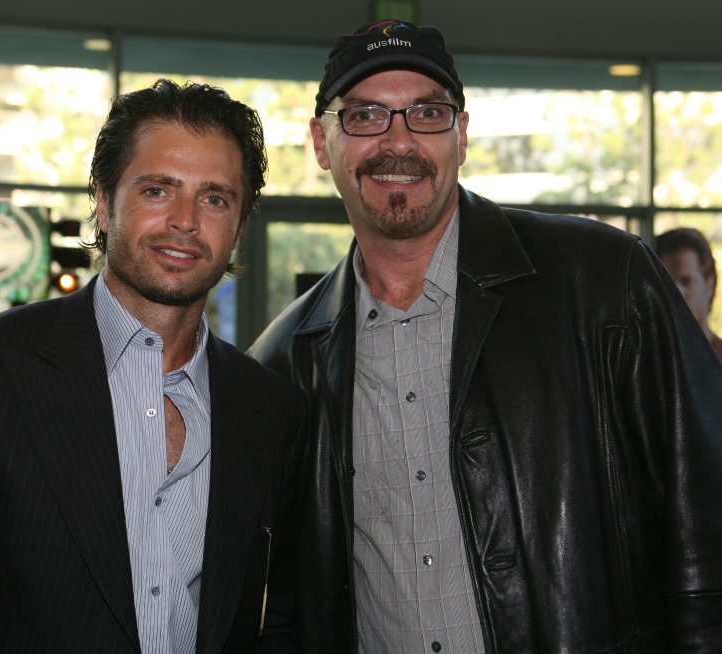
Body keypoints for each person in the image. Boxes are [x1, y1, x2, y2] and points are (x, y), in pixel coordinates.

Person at [249, 19, 722, 654]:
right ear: (320, 141)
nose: (399, 142)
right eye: (364, 115)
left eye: (427, 112)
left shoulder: (605, 281)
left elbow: (707, 516)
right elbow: (285, 601)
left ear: (463, 135)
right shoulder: (286, 359)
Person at [0, 79, 305, 654]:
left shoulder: (272, 409)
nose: (186, 221)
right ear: (103, 202)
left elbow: (276, 614)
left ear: (239, 226)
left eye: (215, 198)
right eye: (158, 190)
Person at [656, 227, 722, 361]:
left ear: (709, 284)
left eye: (686, 281)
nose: (676, 292)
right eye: (667, 282)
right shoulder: (650, 361)